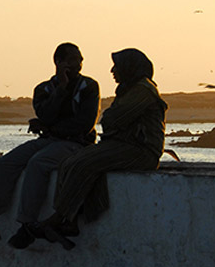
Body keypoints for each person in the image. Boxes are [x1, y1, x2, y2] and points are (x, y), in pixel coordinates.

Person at [0, 42, 100, 249]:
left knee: (39, 163)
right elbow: (45, 114)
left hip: (76, 143)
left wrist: (50, 127)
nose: (79, 63)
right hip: (51, 139)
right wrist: (61, 90)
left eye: (80, 59)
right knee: (4, 165)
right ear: (59, 62)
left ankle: (27, 224)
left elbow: (84, 124)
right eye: (72, 59)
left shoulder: (89, 87)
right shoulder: (44, 89)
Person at [37, 48, 167, 251]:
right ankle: (69, 220)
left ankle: (59, 217)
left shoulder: (143, 90)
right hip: (122, 145)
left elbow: (113, 119)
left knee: (84, 163)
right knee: (70, 162)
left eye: (117, 66)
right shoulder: (130, 89)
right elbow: (110, 120)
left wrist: (111, 119)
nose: (112, 71)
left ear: (129, 68)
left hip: (141, 151)